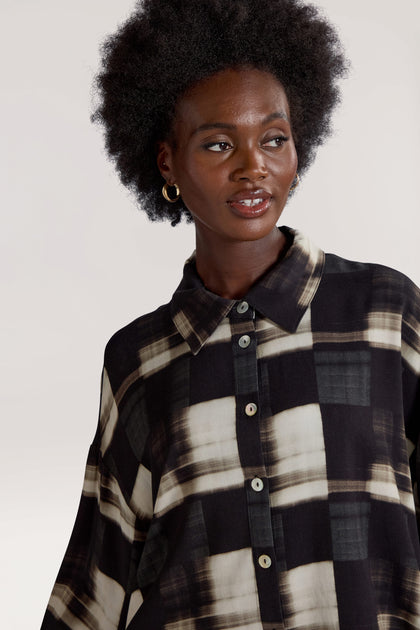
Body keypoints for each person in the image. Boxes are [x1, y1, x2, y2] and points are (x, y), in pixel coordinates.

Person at [41, 0, 420, 628]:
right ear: (167, 162)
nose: (254, 166)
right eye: (219, 143)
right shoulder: (140, 360)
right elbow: (101, 569)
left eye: (274, 138)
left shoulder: (384, 314)